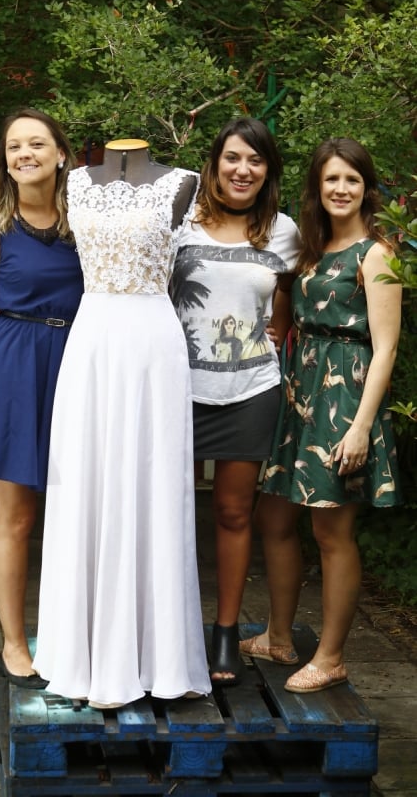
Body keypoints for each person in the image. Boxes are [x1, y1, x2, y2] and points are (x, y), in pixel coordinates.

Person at [32, 138, 212, 708]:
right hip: (93, 339)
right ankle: (80, 656)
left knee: (152, 483)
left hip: (152, 341)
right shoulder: (76, 182)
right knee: (86, 483)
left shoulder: (183, 181)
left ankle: (157, 659)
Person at [241, 137, 402, 693]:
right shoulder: (312, 249)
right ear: (318, 187)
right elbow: (287, 313)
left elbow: (385, 349)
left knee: (332, 530)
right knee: (275, 518)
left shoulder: (377, 254)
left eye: (352, 180)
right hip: (298, 393)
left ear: (367, 189)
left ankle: (331, 656)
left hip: (344, 399)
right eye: (332, 179)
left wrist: (360, 426)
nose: (341, 189)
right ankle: (279, 637)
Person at [0, 108, 84, 689]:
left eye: (36, 144)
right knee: (18, 516)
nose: (23, 154)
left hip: (77, 368)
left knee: (79, 515)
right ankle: (12, 644)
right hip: (10, 368)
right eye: (13, 147)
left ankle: (76, 636)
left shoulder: (86, 222)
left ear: (59, 154)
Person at [171, 117, 301, 686]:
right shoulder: (179, 224)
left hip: (250, 392)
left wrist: (279, 329)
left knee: (231, 513)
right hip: (174, 389)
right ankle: (166, 633)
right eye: (232, 158)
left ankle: (225, 634)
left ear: (267, 170)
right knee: (166, 514)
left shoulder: (284, 232)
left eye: (255, 160)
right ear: (214, 163)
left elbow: (294, 293)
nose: (242, 170)